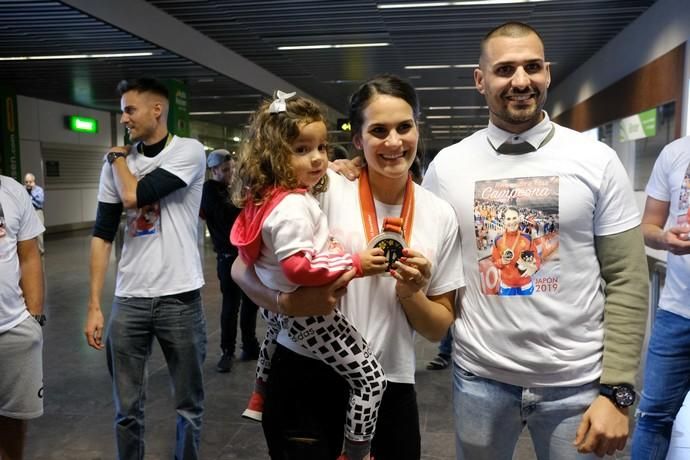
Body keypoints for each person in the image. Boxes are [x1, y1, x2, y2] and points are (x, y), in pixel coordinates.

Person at [421, 22, 649, 459]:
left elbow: (627, 278)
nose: (521, 81)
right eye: (505, 69)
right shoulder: (447, 168)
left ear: (547, 72)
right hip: (479, 379)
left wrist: (618, 390)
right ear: (480, 80)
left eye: (532, 67)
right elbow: (421, 244)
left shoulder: (596, 160)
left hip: (577, 385)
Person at [232, 75, 464, 460]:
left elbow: (438, 325)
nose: (393, 142)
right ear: (358, 139)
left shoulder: (439, 214)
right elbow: (240, 269)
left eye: (404, 127)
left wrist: (410, 293)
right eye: (378, 130)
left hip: (388, 381)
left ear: (417, 129)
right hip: (305, 375)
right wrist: (285, 303)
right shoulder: (321, 187)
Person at [230, 91, 391, 460]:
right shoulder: (291, 207)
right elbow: (299, 267)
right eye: (302, 149)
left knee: (272, 329)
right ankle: (356, 451)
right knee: (370, 379)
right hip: (315, 316)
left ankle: (259, 392)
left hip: (282, 311)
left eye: (321, 147)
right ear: (274, 155)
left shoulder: (269, 196)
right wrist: (355, 264)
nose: (318, 158)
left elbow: (253, 258)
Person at [84, 77, 207, 460]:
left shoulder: (188, 151)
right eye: (122, 110)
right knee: (126, 410)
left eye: (130, 109)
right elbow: (102, 235)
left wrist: (119, 159)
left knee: (189, 406)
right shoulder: (115, 167)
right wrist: (93, 305)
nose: (123, 118)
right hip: (130, 300)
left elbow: (135, 195)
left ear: (158, 109)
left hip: (180, 298)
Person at [631, 135, 690, 459]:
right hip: (677, 313)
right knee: (653, 417)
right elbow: (648, 226)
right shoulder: (675, 153)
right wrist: (665, 238)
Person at [200, 149, 259, 373]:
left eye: (232, 169)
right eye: (226, 170)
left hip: (245, 255)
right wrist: (243, 199)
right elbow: (226, 217)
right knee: (231, 305)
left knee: (251, 302)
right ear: (214, 170)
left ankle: (250, 344)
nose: (230, 173)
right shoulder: (210, 190)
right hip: (227, 257)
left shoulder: (231, 190)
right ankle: (227, 350)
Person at [0, 174, 45, 460]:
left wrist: (34, 319)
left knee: (13, 423)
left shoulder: (12, 190)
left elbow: (29, 256)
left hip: (14, 329)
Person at [490, 206, 540, 296]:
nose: (512, 222)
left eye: (514, 218)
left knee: (526, 309)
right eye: (508, 219)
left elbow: (536, 257)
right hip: (507, 285)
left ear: (519, 219)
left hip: (525, 284)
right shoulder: (498, 239)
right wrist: (502, 261)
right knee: (507, 309)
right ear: (504, 221)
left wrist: (535, 267)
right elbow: (494, 262)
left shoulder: (527, 237)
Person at [23, 173, 45, 255]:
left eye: (30, 182)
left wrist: (31, 193)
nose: (28, 184)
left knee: (39, 232)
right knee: (27, 232)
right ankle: (29, 251)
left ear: (33, 181)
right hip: (26, 212)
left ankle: (41, 250)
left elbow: (40, 202)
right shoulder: (22, 189)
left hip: (37, 211)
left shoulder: (39, 190)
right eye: (26, 182)